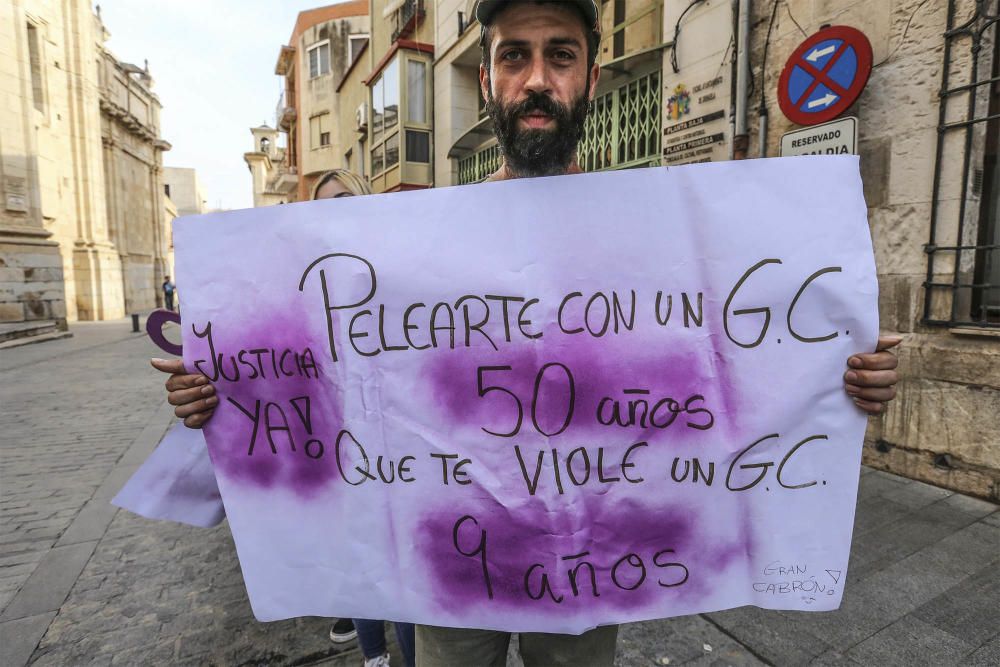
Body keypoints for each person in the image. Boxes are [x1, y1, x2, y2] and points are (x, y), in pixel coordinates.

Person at [155, 2, 902, 663]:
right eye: (515, 55)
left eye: (560, 54)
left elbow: (731, 364)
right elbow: (321, 371)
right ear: (487, 78)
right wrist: (218, 397)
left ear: (591, 75)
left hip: (592, 567)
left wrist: (839, 376)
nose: (536, 78)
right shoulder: (410, 248)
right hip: (452, 567)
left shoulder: (661, 238)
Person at [152, 169, 415, 667]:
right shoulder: (291, 289)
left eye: (341, 200)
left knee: (396, 567)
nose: (329, 212)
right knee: (356, 558)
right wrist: (205, 388)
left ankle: (408, 653)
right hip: (328, 454)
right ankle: (374, 655)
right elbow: (255, 366)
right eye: (317, 206)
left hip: (397, 459)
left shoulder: (398, 275)